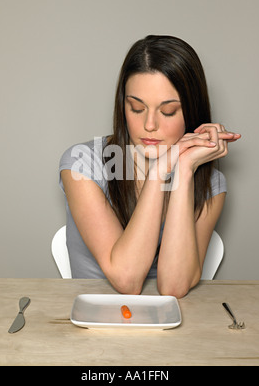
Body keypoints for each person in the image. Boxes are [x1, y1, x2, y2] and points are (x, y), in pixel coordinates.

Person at [59, 35, 241, 297]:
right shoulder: (82, 163)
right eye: (136, 108)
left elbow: (174, 288)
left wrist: (183, 169)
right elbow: (127, 279)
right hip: (94, 321)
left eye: (168, 111)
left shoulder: (211, 184)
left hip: (171, 322)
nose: (150, 125)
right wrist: (159, 172)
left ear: (192, 111)